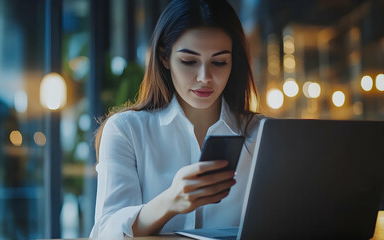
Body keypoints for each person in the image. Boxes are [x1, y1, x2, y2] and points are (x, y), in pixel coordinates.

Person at [90, 0, 263, 238]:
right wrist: (170, 202)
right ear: (164, 57)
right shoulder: (126, 131)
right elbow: (106, 233)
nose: (205, 77)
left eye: (219, 62)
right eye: (189, 61)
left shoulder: (262, 134)